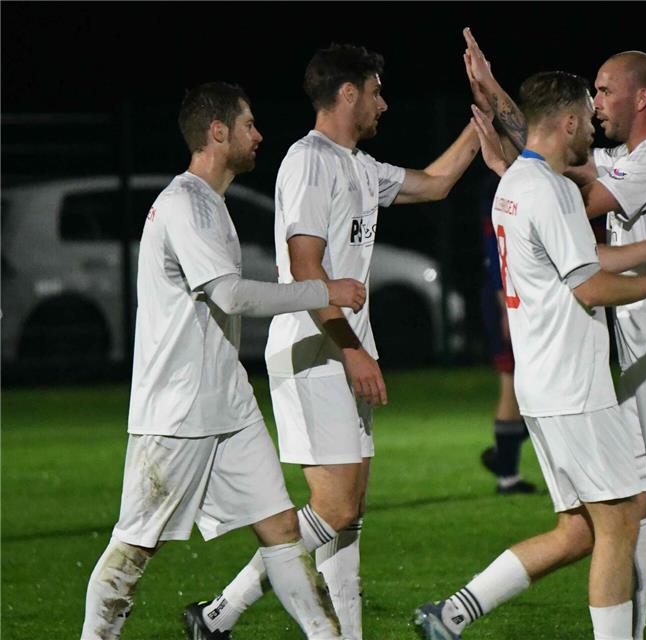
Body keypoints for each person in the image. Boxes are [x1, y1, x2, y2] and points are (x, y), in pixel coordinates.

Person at [186, 44, 483, 640]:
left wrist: (485, 116)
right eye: (376, 90)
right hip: (313, 350)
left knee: (349, 518)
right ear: (348, 93)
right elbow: (304, 268)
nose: (383, 102)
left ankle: (341, 633)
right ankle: (221, 612)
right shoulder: (308, 160)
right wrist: (351, 350)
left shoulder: (360, 165)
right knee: (337, 508)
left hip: (342, 350)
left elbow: (437, 183)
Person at [462, 28, 646, 640]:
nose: (595, 105)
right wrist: (496, 97)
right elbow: (551, 147)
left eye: (604, 91)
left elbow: (569, 185)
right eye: (589, 96)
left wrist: (506, 144)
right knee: (627, 512)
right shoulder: (612, 159)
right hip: (640, 355)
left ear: (640, 98)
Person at [414, 70, 646, 640]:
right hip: (575, 385)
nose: (592, 130)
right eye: (587, 120)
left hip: (542, 384)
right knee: (619, 523)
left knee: (578, 530)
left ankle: (453, 614)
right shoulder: (553, 189)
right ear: (567, 121)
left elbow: (584, 256)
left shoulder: (516, 182)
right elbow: (589, 286)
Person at [81, 81, 368, 640]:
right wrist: (324, 291)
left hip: (228, 403)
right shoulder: (185, 204)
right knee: (135, 547)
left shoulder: (211, 203)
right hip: (177, 410)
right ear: (218, 132)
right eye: (248, 125)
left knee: (283, 529)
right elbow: (231, 296)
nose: (259, 135)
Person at [478, 205, 536, 495]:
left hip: (518, 296)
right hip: (509, 300)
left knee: (521, 384)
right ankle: (506, 470)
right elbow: (494, 252)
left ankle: (505, 462)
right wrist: (504, 307)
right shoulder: (500, 188)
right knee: (511, 383)